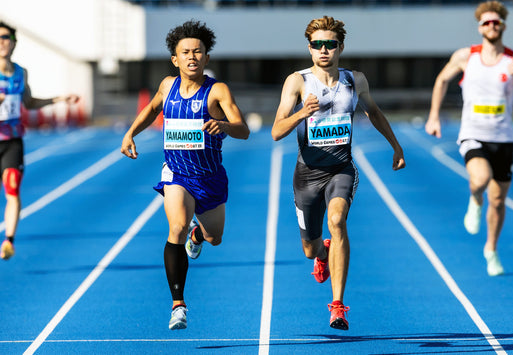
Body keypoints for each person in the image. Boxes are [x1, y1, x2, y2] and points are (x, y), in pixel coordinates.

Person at [271, 16, 405, 330]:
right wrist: (302, 113)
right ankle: (322, 253)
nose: (324, 50)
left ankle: (337, 306)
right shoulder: (297, 82)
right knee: (309, 249)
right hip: (307, 175)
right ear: (309, 48)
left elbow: (374, 112)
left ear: (340, 47)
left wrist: (396, 147)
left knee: (337, 221)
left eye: (330, 44)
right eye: (317, 44)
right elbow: (276, 131)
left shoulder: (354, 80)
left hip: (341, 169)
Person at [120, 20, 249, 330]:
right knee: (175, 226)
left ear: (206, 58)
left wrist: (225, 127)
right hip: (177, 173)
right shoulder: (167, 86)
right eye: (185, 52)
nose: (192, 57)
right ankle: (178, 304)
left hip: (210, 177)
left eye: (198, 52)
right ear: (175, 59)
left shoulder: (217, 90)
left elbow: (243, 129)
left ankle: (197, 234)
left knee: (213, 238)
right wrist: (130, 133)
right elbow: (152, 108)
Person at [425, 1, 513, 277]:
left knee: (498, 201)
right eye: (487, 22)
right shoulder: (465, 56)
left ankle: (491, 250)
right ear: (480, 27)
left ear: (503, 26)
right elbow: (441, 81)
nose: (492, 26)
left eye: (496, 22)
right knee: (480, 179)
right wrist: (434, 116)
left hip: (503, 139)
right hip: (473, 134)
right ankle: (475, 199)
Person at [0, 22, 79, 260]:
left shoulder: (21, 73)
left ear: (14, 42)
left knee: (12, 191)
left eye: (6, 37)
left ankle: (8, 241)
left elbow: (29, 103)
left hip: (12, 141)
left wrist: (59, 99)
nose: (2, 41)